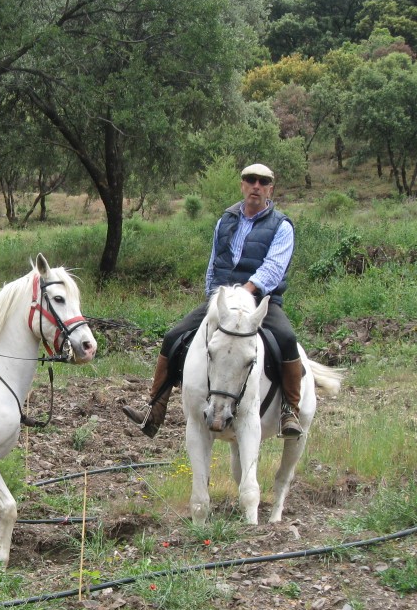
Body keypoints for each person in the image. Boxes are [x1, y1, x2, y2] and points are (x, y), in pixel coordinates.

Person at [122, 163, 305, 439]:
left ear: (270, 188)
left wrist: (243, 294)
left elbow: (273, 269)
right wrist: (213, 297)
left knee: (287, 339)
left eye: (263, 181)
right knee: (174, 336)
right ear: (242, 185)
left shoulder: (282, 226)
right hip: (221, 301)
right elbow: (214, 262)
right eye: (250, 180)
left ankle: (289, 410)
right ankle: (155, 409)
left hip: (260, 303)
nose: (256, 185)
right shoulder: (225, 220)